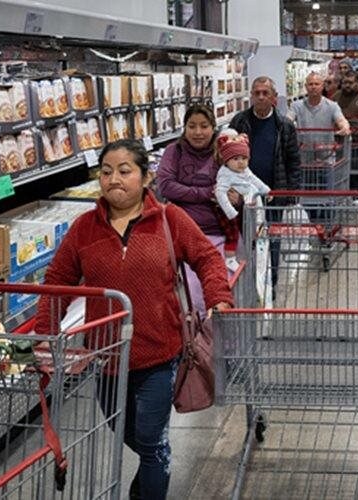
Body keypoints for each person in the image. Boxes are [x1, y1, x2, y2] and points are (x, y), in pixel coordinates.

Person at [34, 139, 233, 500]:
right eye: (106, 172)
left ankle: (152, 477)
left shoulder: (170, 219)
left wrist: (218, 297)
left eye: (125, 171)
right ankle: (155, 464)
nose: (114, 179)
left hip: (160, 354)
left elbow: (207, 257)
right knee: (125, 432)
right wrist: (44, 334)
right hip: (106, 358)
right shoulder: (84, 228)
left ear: (146, 177)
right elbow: (58, 280)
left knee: (150, 439)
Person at [157, 104, 236, 316]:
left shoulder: (223, 152)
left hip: (218, 232)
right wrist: (208, 192)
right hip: (179, 234)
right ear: (184, 128)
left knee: (218, 288)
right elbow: (166, 185)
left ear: (213, 127)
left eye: (204, 126)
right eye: (192, 126)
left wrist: (235, 197)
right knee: (188, 292)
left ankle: (210, 331)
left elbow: (236, 186)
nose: (198, 132)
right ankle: (195, 329)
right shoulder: (174, 151)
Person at [229, 75, 301, 292]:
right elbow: (226, 157)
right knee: (246, 238)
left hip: (273, 194)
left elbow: (293, 161)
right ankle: (250, 282)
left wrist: (291, 194)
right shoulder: (239, 122)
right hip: (244, 196)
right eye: (256, 93)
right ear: (251, 96)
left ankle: (272, 281)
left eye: (265, 93)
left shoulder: (284, 126)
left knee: (273, 239)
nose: (260, 97)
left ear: (274, 97)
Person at [214, 131, 270, 270]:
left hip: (244, 207)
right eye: (236, 159)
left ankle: (250, 254)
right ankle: (230, 258)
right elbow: (220, 193)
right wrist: (230, 211)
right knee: (232, 233)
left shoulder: (244, 171)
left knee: (249, 231)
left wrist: (266, 190)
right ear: (226, 160)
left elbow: (254, 179)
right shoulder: (225, 174)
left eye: (244, 158)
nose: (240, 162)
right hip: (226, 210)